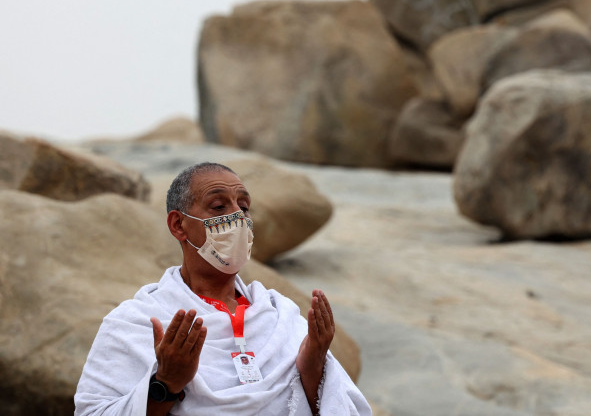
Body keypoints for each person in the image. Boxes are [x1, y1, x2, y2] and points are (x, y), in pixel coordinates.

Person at [74, 162, 372, 416]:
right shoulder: (136, 321)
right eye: (219, 206)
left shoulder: (280, 315)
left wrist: (313, 366)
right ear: (178, 225)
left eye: (244, 207)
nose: (238, 218)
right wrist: (165, 384)